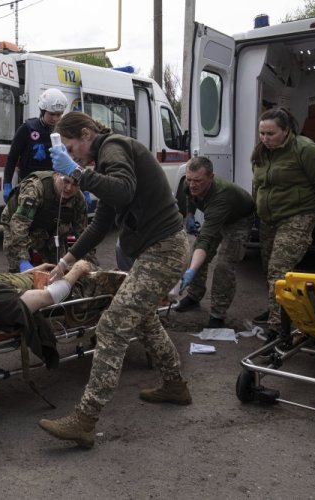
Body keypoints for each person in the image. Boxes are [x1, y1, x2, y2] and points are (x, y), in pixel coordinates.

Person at [36, 112, 191, 449]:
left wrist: (77, 172)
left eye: (72, 146)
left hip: (164, 249)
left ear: (88, 133)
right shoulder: (103, 164)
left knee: (112, 326)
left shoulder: (114, 147)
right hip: (156, 250)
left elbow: (124, 191)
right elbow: (100, 223)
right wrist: (66, 261)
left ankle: (85, 420)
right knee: (143, 318)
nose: (72, 154)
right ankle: (175, 385)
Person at [251, 107, 315, 340]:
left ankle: (278, 331)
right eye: (262, 133)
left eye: (271, 134)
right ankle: (279, 307)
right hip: (269, 220)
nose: (265, 139)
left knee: (279, 271)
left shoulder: (306, 150)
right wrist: (253, 211)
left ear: (286, 131)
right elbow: (258, 184)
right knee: (269, 271)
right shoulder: (261, 152)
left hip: (296, 217)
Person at [174, 156, 254, 329]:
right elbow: (189, 196)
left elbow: (206, 238)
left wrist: (191, 271)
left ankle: (218, 314)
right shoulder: (189, 182)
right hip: (216, 217)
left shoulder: (221, 195)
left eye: (198, 181)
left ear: (211, 177)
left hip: (237, 220)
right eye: (189, 179)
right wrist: (189, 214)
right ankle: (194, 297)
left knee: (224, 265)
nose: (193, 184)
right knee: (195, 254)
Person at [1, 170, 94, 272]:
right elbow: (19, 225)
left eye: (75, 185)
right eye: (66, 181)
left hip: (50, 229)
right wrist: (23, 260)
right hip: (17, 223)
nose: (69, 188)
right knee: (19, 271)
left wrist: (90, 264)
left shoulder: (78, 199)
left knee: (59, 269)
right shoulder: (35, 189)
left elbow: (83, 234)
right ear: (57, 175)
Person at [2, 88, 68, 202]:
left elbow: (74, 159)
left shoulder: (64, 132)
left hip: (54, 187)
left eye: (59, 115)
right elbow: (12, 158)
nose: (55, 119)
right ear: (42, 111)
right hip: (29, 186)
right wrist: (7, 184)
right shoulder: (27, 129)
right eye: (51, 114)